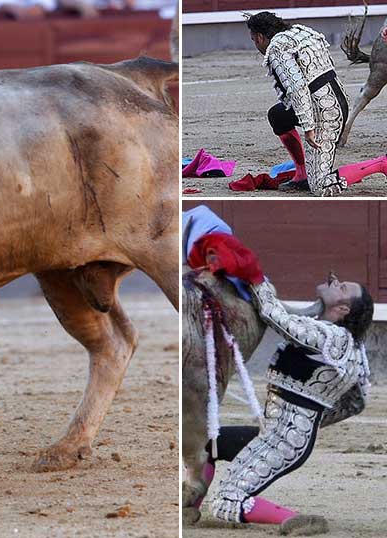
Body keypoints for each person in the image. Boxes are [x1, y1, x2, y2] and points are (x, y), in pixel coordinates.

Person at [192, 232, 374, 532]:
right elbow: (358, 400)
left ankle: (292, 519)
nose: (332, 280)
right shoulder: (349, 345)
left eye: (340, 286)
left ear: (343, 310)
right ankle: (189, 507)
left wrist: (255, 277)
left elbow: (274, 315)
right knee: (204, 444)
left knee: (229, 501)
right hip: (280, 432)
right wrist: (314, 421)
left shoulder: (329, 336)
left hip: (284, 441)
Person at [246, 11, 349, 196]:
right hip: (337, 99)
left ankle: (380, 163)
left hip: (324, 113)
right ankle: (301, 174)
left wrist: (309, 127)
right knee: (278, 115)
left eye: (254, 40)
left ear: (261, 37)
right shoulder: (301, 31)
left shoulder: (276, 48)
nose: (256, 45)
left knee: (320, 187)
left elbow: (297, 88)